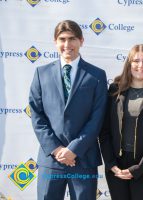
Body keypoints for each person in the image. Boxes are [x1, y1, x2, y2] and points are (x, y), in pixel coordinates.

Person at [29, 20, 107, 200]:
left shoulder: (96, 75)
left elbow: (97, 117)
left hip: (84, 158)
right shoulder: (42, 73)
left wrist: (74, 149)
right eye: (62, 39)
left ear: (81, 41)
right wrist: (56, 149)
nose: (67, 44)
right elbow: (36, 115)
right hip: (51, 160)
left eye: (72, 39)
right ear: (55, 42)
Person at [99, 44, 143, 200]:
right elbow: (104, 132)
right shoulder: (114, 91)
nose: (141, 65)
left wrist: (138, 169)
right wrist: (111, 164)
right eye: (136, 60)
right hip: (116, 166)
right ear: (129, 64)